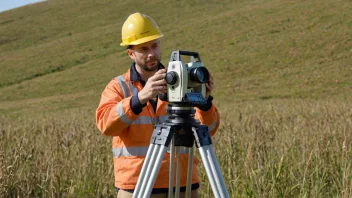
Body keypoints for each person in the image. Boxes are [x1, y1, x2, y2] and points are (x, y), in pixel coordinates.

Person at [96, 12, 220, 198]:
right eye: (143, 49)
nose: (151, 54)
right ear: (131, 53)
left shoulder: (182, 80)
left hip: (182, 185)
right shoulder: (119, 86)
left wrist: (204, 102)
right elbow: (106, 125)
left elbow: (209, 129)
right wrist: (140, 98)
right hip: (136, 186)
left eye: (154, 46)